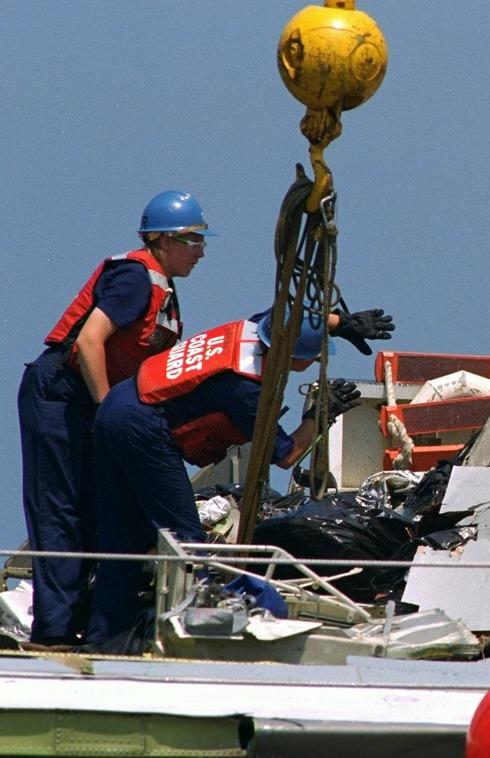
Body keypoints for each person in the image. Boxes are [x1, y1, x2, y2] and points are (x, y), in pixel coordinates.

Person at [84, 311, 362, 647]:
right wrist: (320, 415)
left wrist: (340, 323)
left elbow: (287, 308)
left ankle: (103, 640)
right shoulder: (245, 388)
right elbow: (286, 455)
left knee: (123, 535)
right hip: (142, 428)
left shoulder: (248, 329)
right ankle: (196, 631)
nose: (319, 358)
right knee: (185, 539)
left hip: (116, 404)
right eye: (314, 354)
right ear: (294, 358)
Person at [17, 190, 215, 646]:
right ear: (163, 241)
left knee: (89, 512)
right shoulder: (135, 280)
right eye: (193, 240)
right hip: (61, 396)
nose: (201, 251)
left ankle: (75, 624)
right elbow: (89, 342)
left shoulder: (161, 288)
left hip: (85, 400)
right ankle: (53, 634)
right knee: (60, 513)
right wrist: (110, 413)